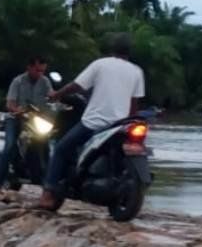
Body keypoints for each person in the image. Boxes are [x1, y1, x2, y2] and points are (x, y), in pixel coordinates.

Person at [38, 34, 145, 210]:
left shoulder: (100, 64)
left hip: (94, 122)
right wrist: (129, 121)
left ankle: (47, 194)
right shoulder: (136, 71)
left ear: (112, 49)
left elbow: (77, 86)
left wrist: (57, 94)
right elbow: (134, 104)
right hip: (120, 125)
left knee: (61, 149)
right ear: (129, 52)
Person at [0, 56, 52, 189]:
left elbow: (51, 97)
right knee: (9, 146)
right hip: (14, 118)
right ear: (29, 67)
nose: (40, 74)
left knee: (46, 145)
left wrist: (59, 101)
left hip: (35, 120)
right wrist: (17, 110)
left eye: (43, 71)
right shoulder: (18, 81)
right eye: (37, 70)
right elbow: (9, 103)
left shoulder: (45, 81)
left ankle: (48, 183)